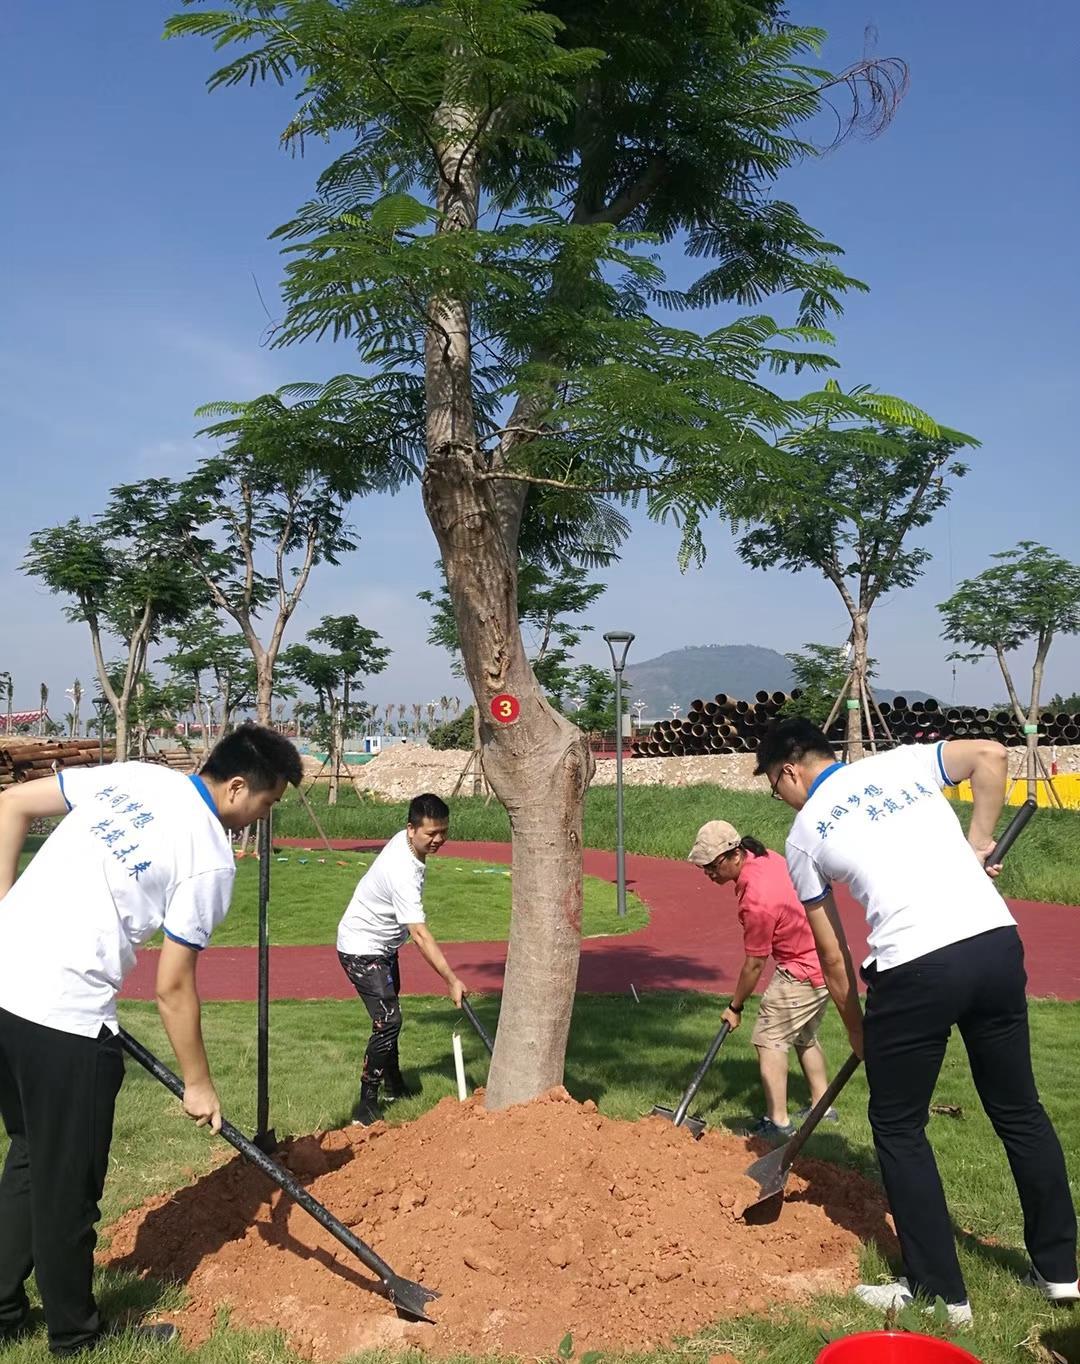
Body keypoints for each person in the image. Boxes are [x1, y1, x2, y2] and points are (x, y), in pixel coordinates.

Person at [755, 716, 1078, 1326]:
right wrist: (977, 845)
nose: (782, 797)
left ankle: (940, 1293)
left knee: (898, 1125)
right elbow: (989, 754)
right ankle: (1060, 1271)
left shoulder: (803, 836)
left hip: (915, 968)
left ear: (789, 771)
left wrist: (854, 1026)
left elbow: (832, 953)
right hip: (994, 943)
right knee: (1019, 1109)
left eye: (776, 787)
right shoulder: (898, 764)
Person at [0, 723, 301, 1356]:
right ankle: (75, 1336)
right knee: (69, 1189)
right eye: (266, 805)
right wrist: (199, 1083)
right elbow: (173, 988)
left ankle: (2, 1309)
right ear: (239, 787)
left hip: (3, 993)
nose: (258, 819)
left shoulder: (136, 776)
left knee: (30, 1155)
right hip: (65, 1017)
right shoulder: (211, 858)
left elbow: (11, 804)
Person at [687, 819, 835, 1138]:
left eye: (711, 866)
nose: (708, 873)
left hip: (803, 968)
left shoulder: (756, 899)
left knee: (768, 1039)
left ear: (734, 855)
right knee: (803, 1034)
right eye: (703, 867)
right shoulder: (765, 857)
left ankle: (777, 1123)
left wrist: (735, 1006)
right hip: (827, 958)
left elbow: (754, 963)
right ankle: (823, 1107)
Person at [337, 792, 466, 1126]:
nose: (439, 840)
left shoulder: (408, 843)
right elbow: (421, 935)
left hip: (385, 946)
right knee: (389, 1020)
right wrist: (451, 979)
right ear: (411, 829)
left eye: (443, 832)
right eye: (431, 834)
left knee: (388, 1016)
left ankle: (395, 1086)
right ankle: (365, 1106)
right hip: (361, 948)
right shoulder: (402, 871)